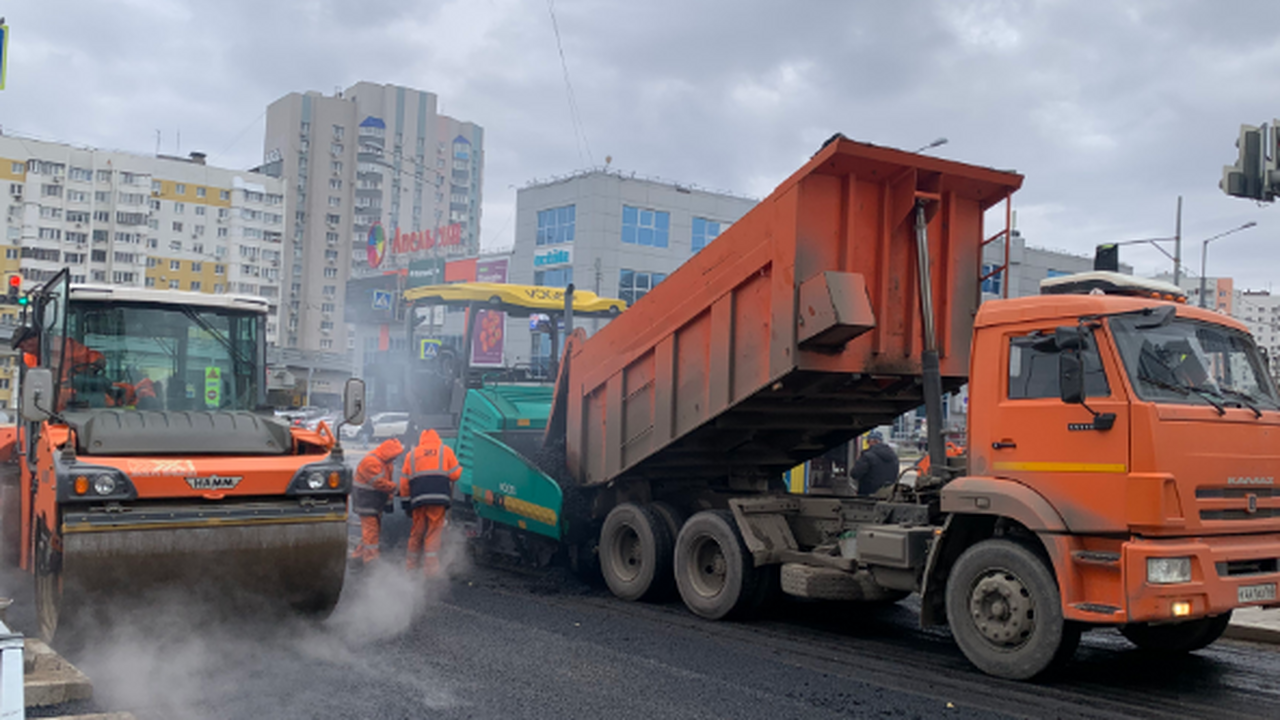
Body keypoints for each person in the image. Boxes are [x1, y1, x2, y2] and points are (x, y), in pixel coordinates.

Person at [400, 428, 462, 577]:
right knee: (434, 532)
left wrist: (406, 504)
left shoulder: (412, 455)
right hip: (438, 498)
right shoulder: (445, 451)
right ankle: (431, 569)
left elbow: (404, 483)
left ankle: (411, 566)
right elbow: (455, 474)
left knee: (417, 532)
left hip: (418, 499)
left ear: (421, 439)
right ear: (437, 438)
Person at [350, 438, 404, 566]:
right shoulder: (371, 462)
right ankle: (371, 561)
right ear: (389, 453)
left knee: (371, 530)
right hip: (365, 500)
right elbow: (379, 483)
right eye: (394, 456)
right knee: (371, 530)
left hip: (373, 501)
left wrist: (388, 502)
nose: (395, 459)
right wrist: (397, 489)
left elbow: (386, 485)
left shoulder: (386, 463)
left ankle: (357, 556)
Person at [851, 430, 899, 497]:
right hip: (888, 494)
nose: (867, 444)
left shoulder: (867, 456)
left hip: (867, 495)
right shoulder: (894, 456)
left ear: (873, 441)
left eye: (868, 441)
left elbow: (855, 474)